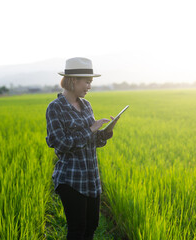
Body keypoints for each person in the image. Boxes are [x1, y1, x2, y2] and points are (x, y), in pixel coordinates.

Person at [46, 57, 118, 240]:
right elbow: (61, 144)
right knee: (77, 229)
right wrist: (91, 129)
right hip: (70, 179)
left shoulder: (86, 105)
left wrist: (104, 133)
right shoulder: (55, 108)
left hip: (91, 177)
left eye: (90, 82)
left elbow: (92, 141)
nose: (89, 86)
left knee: (91, 226)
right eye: (87, 82)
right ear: (73, 80)